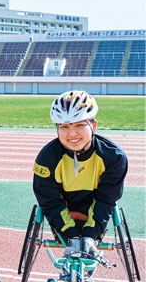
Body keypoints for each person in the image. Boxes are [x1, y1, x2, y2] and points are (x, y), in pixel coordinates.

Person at [33, 90, 128, 257]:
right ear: (57, 128)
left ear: (94, 126)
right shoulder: (46, 159)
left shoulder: (114, 158)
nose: (72, 133)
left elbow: (106, 200)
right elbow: (50, 202)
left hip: (95, 214)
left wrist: (90, 235)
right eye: (64, 127)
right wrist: (70, 235)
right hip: (63, 216)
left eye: (79, 125)